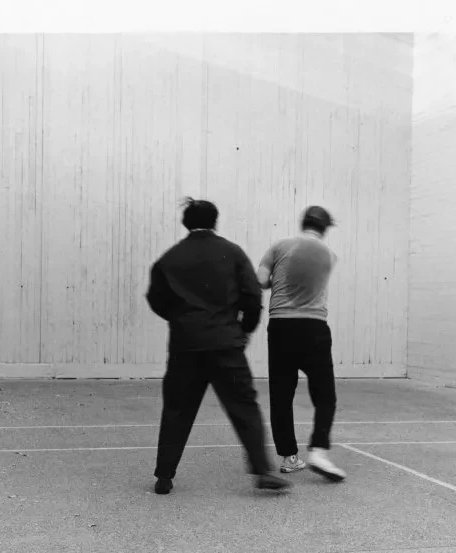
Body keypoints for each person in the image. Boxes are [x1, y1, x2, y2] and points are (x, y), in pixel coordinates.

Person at [146, 198, 289, 494]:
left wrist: (181, 319)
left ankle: (164, 475)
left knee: (177, 409)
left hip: (185, 346)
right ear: (215, 221)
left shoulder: (170, 258)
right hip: (226, 344)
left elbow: (156, 299)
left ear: (186, 223)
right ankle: (263, 471)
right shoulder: (232, 252)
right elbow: (252, 295)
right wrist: (244, 329)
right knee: (244, 407)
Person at [256, 205, 346, 482]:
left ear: (303, 222)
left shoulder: (279, 245)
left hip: (281, 325)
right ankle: (318, 449)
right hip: (314, 326)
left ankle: (289, 458)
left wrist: (275, 280)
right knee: (324, 394)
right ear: (324, 228)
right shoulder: (329, 255)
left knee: (281, 395)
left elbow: (260, 280)